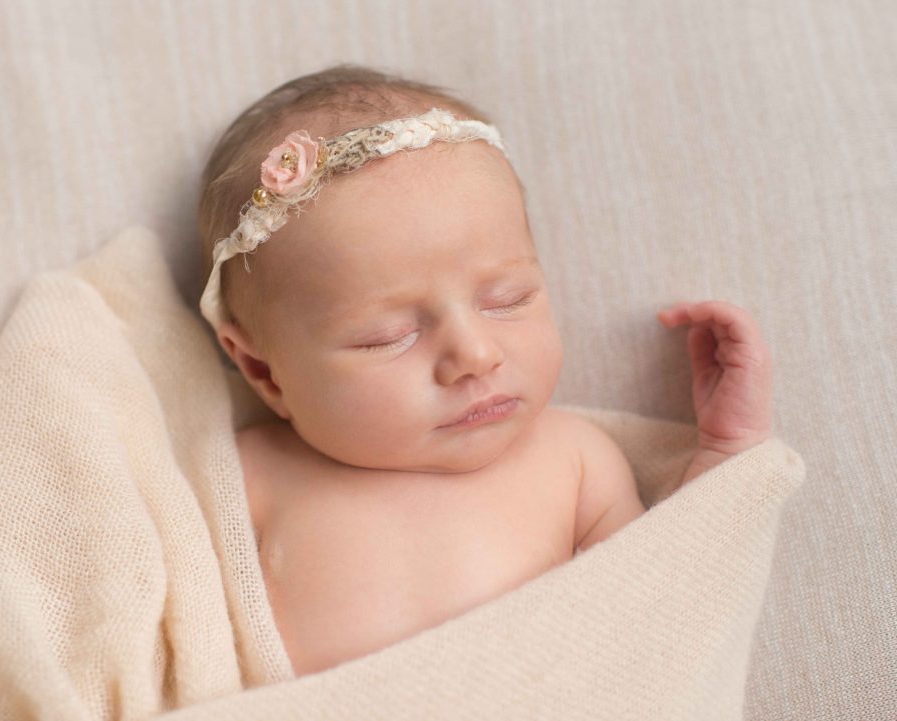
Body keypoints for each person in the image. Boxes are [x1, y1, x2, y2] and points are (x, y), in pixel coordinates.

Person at [196, 64, 774, 677]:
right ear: (264, 371)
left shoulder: (573, 460)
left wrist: (724, 451)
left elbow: (661, 607)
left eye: (508, 300)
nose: (475, 355)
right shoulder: (245, 478)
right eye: (387, 337)